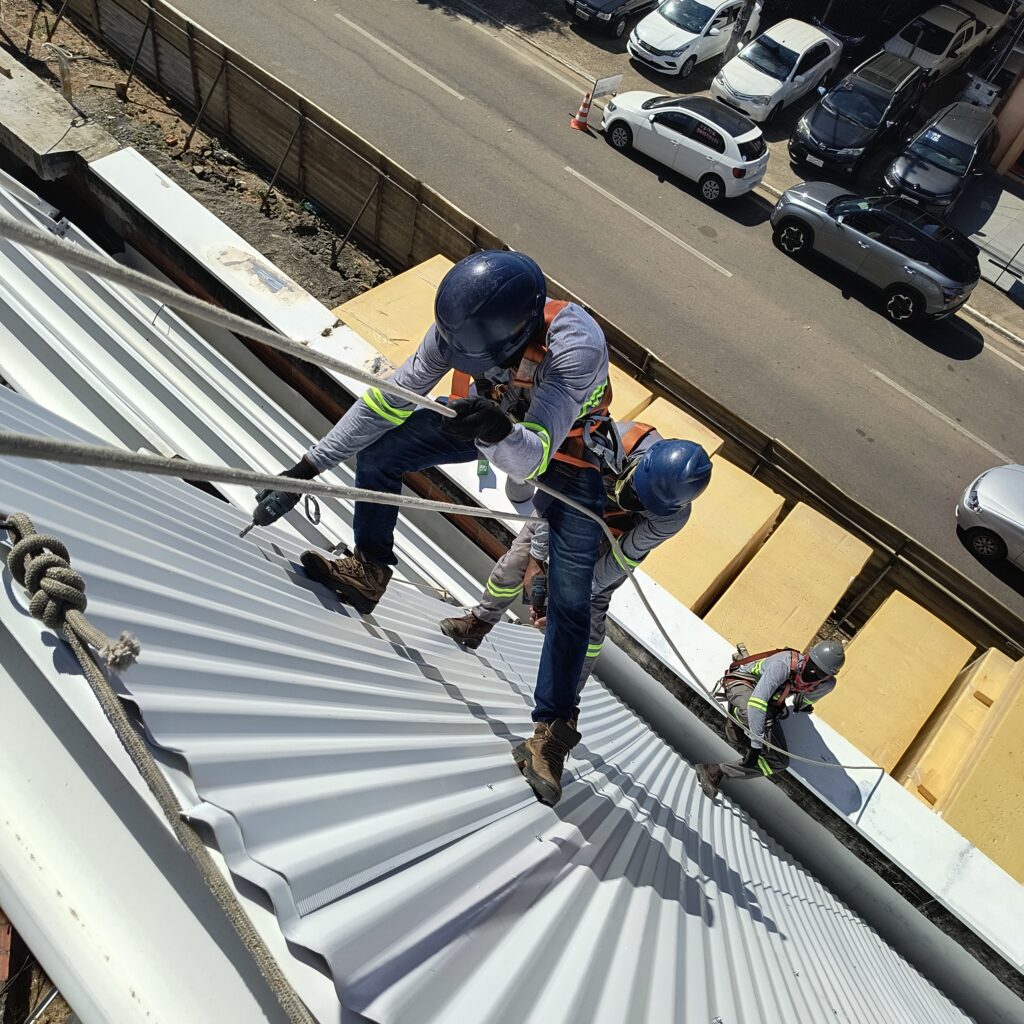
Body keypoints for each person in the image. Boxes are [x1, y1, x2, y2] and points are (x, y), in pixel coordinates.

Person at [252, 250, 611, 806]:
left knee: (570, 594)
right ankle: (370, 569)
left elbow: (534, 458)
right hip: (489, 418)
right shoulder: (461, 327)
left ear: (518, 332)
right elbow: (387, 401)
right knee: (382, 454)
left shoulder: (575, 347)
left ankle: (552, 731)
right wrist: (308, 467)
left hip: (566, 449)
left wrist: (498, 433)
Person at [439, 424, 713, 733]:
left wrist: (570, 598)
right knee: (516, 562)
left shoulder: (673, 516)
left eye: (645, 502)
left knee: (588, 622)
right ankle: (480, 621)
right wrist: (538, 560)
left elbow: (622, 558)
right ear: (640, 464)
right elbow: (555, 497)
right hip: (565, 505)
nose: (633, 500)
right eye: (635, 490)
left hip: (611, 540)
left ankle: (564, 707)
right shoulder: (604, 440)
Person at [695, 641, 846, 798]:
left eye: (820, 673)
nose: (813, 673)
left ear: (828, 676)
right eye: (812, 666)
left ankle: (714, 771)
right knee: (749, 716)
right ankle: (738, 719)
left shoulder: (826, 685)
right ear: (807, 657)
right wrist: (756, 747)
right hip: (743, 685)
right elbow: (757, 702)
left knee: (779, 762)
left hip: (767, 703)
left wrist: (802, 706)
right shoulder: (783, 664)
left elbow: (805, 700)